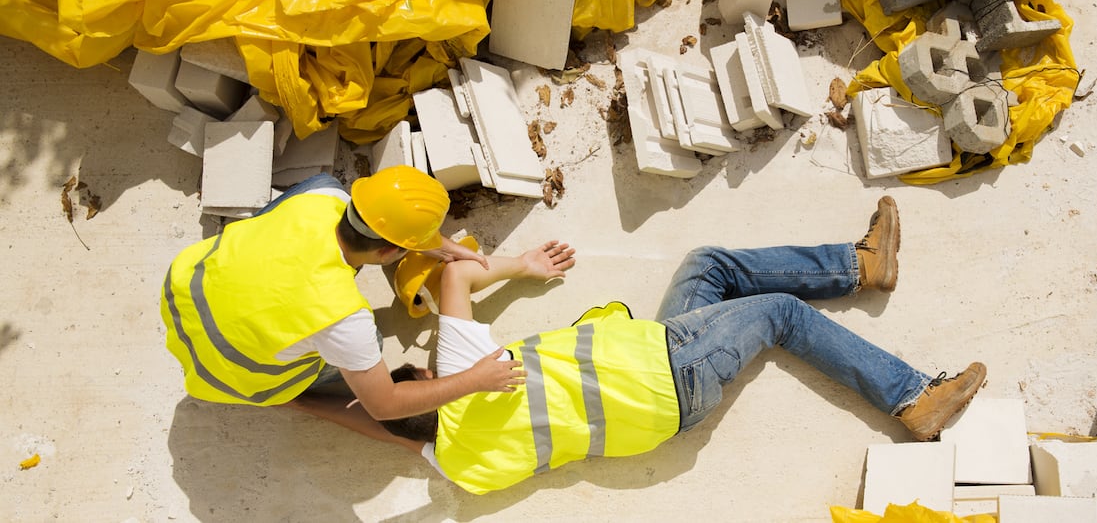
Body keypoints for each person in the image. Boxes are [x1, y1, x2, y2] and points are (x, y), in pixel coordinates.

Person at [373, 196, 987, 494]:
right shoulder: (458, 368)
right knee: (779, 313)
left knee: (707, 267)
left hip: (662, 400)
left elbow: (382, 423)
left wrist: (299, 404)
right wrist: (517, 263)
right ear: (423, 378)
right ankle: (912, 397)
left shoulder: (455, 466)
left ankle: (862, 265)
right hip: (668, 368)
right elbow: (456, 275)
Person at [159, 165, 525, 431]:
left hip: (184, 294)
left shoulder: (324, 197)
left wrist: (436, 246)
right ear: (387, 253)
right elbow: (383, 406)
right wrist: (475, 379)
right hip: (228, 374)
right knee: (372, 344)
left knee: (319, 181)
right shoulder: (343, 317)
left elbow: (375, 223)